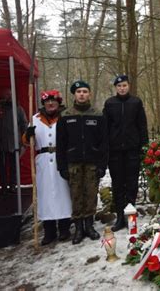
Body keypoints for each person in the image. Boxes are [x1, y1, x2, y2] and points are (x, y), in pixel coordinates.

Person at [56, 80, 108, 244]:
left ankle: (89, 226)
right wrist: (62, 166)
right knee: (76, 195)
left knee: (91, 195)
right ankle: (78, 228)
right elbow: (61, 143)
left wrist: (102, 165)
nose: (82, 94)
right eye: (79, 92)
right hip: (73, 164)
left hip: (92, 162)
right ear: (74, 95)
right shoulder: (65, 116)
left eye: (85, 91)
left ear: (89, 94)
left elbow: (104, 142)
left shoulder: (98, 115)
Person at [23, 90, 72, 245]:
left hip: (61, 158)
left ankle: (64, 228)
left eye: (54, 101)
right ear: (43, 103)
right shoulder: (35, 119)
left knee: (63, 193)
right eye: (47, 101)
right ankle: (49, 231)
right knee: (45, 196)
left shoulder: (65, 117)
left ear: (58, 103)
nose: (51, 104)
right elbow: (25, 141)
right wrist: (28, 135)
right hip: (43, 159)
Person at [103, 75, 148, 232]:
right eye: (119, 86)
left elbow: (142, 125)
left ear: (129, 86)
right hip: (115, 152)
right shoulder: (110, 103)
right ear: (115, 88)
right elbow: (105, 128)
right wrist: (106, 148)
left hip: (132, 150)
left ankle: (130, 215)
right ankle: (120, 217)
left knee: (131, 184)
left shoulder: (136, 102)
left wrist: (144, 146)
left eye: (124, 85)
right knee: (118, 184)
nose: (122, 88)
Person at [0, 88, 27, 193]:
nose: (8, 97)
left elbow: (24, 124)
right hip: (0, 142)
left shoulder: (18, 109)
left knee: (14, 166)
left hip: (14, 142)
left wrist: (25, 140)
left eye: (10, 95)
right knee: (1, 166)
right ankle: (4, 186)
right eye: (6, 95)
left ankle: (13, 185)